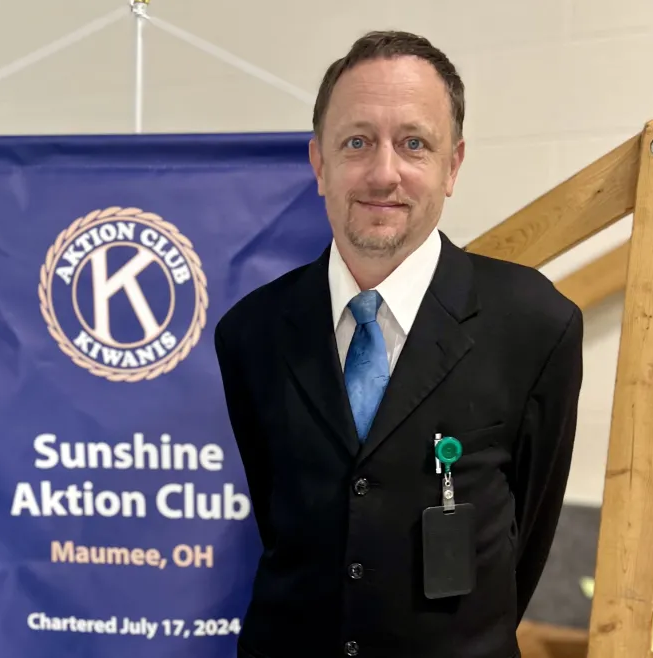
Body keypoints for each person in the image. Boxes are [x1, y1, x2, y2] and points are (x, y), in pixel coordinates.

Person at [214, 30, 584, 658]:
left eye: (414, 143)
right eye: (357, 142)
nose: (384, 173)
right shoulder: (250, 332)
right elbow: (279, 524)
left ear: (453, 165)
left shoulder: (535, 324)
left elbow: (530, 534)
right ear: (319, 163)